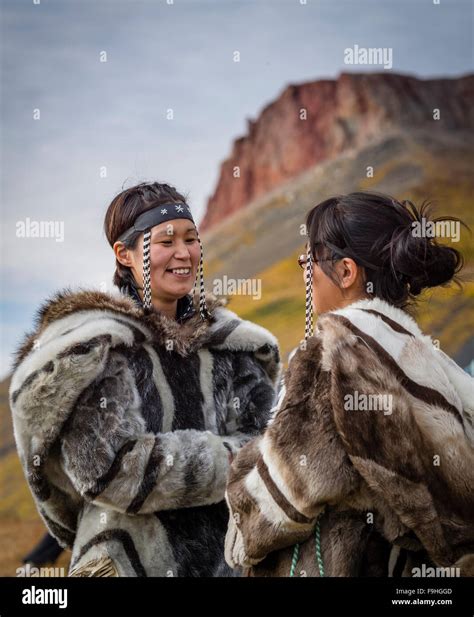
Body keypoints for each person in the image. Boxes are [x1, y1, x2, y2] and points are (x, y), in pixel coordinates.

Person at [9, 181, 280, 577]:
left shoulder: (233, 346)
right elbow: (109, 471)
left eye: (191, 238)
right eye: (166, 241)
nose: (183, 253)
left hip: (228, 566)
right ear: (124, 254)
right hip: (124, 561)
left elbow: (272, 448)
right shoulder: (98, 348)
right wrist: (234, 458)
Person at [224, 192, 474, 577]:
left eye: (307, 260)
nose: (303, 271)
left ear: (345, 272)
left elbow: (285, 496)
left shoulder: (337, 351)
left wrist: (240, 512)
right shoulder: (424, 354)